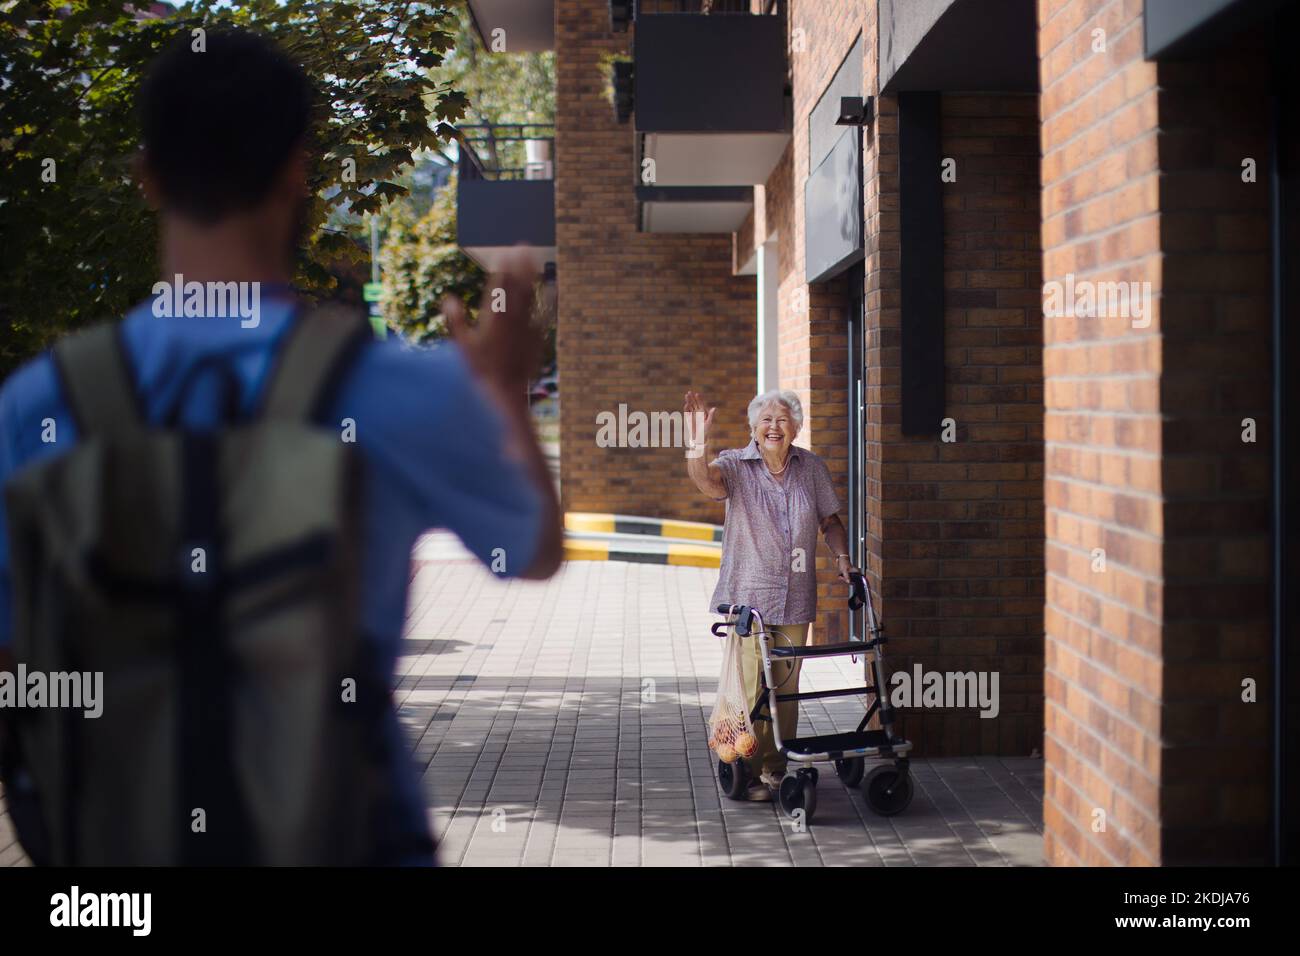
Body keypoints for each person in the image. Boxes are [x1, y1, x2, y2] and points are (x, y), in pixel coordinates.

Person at [0, 29, 562, 863]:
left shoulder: (40, 403)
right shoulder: (395, 389)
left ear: (147, 176)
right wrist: (506, 396)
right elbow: (532, 548)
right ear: (300, 170)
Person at [683, 388, 858, 801]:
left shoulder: (811, 468)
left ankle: (774, 768)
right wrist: (696, 440)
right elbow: (706, 483)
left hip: (796, 596)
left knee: (786, 685)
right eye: (766, 420)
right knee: (751, 685)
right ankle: (742, 762)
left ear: (796, 427)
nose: (774, 427)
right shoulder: (736, 465)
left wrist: (842, 556)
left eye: (782, 419)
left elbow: (830, 521)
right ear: (753, 428)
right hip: (749, 598)